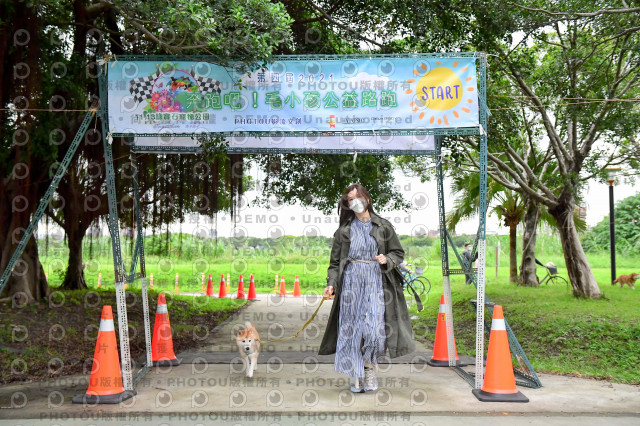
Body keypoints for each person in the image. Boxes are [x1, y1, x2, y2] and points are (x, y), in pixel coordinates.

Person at [319, 184, 416, 393]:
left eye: (358, 197)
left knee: (374, 331)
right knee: (351, 330)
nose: (355, 201)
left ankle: (369, 368)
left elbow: (398, 253)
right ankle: (355, 374)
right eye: (350, 199)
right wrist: (331, 283)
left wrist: (387, 258)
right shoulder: (344, 231)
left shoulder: (383, 226)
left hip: (376, 282)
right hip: (351, 283)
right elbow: (335, 263)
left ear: (367, 199)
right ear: (347, 204)